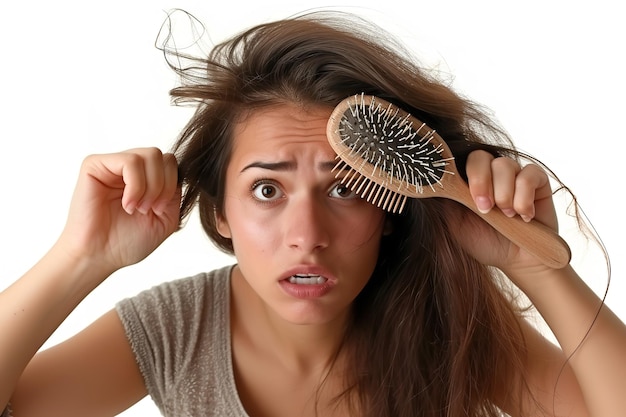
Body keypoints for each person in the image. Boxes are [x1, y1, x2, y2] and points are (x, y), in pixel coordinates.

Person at [1, 9, 625, 417]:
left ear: (390, 208)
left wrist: (535, 267)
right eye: (267, 191)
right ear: (219, 212)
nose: (307, 238)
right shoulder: (175, 331)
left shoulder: (444, 323)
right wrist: (80, 256)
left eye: (347, 188)